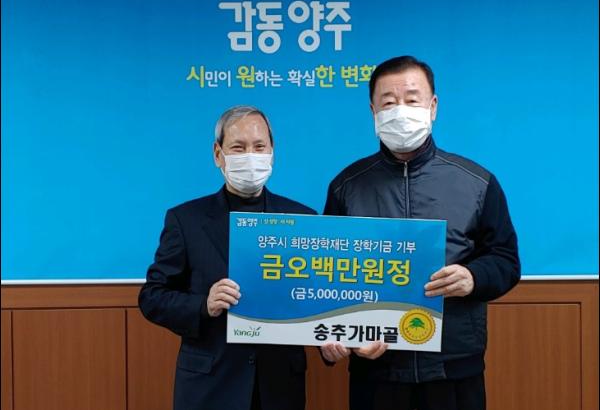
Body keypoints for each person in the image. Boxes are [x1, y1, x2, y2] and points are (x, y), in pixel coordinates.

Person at [320, 56, 520, 410]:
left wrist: (473, 277)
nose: (400, 111)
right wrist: (340, 338)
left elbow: (506, 260)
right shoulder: (346, 186)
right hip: (376, 370)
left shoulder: (477, 182)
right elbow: (328, 273)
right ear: (373, 111)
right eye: (388, 102)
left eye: (412, 100)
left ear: (433, 106)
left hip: (453, 366)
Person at [139, 105, 315, 410]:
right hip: (211, 386)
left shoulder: (304, 220)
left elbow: (318, 297)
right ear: (218, 154)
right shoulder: (186, 220)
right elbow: (152, 297)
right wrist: (203, 305)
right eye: (238, 147)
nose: (250, 156)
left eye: (259, 146)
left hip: (279, 387)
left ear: (272, 152)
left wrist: (331, 340)